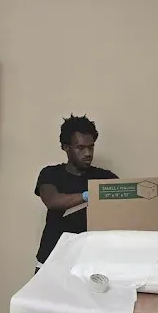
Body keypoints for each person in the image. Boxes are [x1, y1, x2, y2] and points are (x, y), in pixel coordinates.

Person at [34, 114, 117, 269]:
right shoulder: (50, 174)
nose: (88, 153)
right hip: (52, 260)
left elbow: (127, 209)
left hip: (91, 263)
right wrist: (88, 195)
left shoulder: (105, 178)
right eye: (80, 148)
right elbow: (53, 201)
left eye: (91, 147)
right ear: (66, 148)